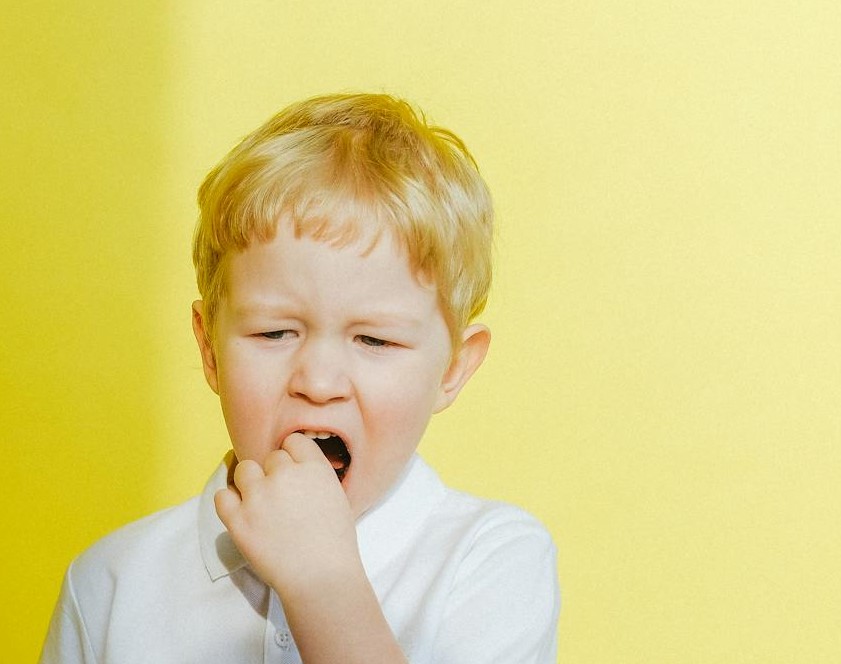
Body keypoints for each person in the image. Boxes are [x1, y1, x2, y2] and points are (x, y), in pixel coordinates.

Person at [40, 93, 560, 663]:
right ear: (210, 349)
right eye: (274, 333)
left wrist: (325, 584)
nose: (318, 381)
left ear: (452, 370)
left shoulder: (489, 562)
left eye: (375, 340)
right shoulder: (111, 583)